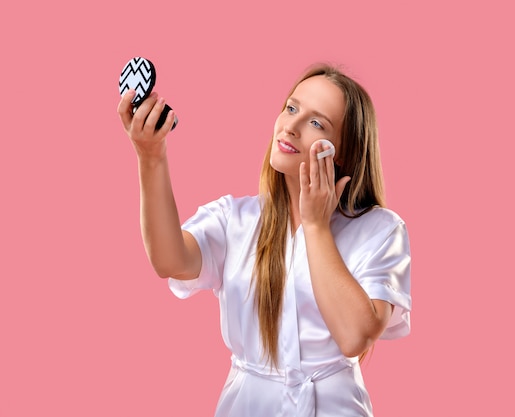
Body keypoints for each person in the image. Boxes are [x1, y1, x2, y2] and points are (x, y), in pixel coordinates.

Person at [117, 63, 412, 417]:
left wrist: (316, 226)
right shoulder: (234, 220)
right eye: (291, 108)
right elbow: (169, 261)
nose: (291, 126)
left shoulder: (380, 230)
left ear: (343, 153)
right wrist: (151, 157)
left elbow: (354, 336)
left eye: (316, 123)